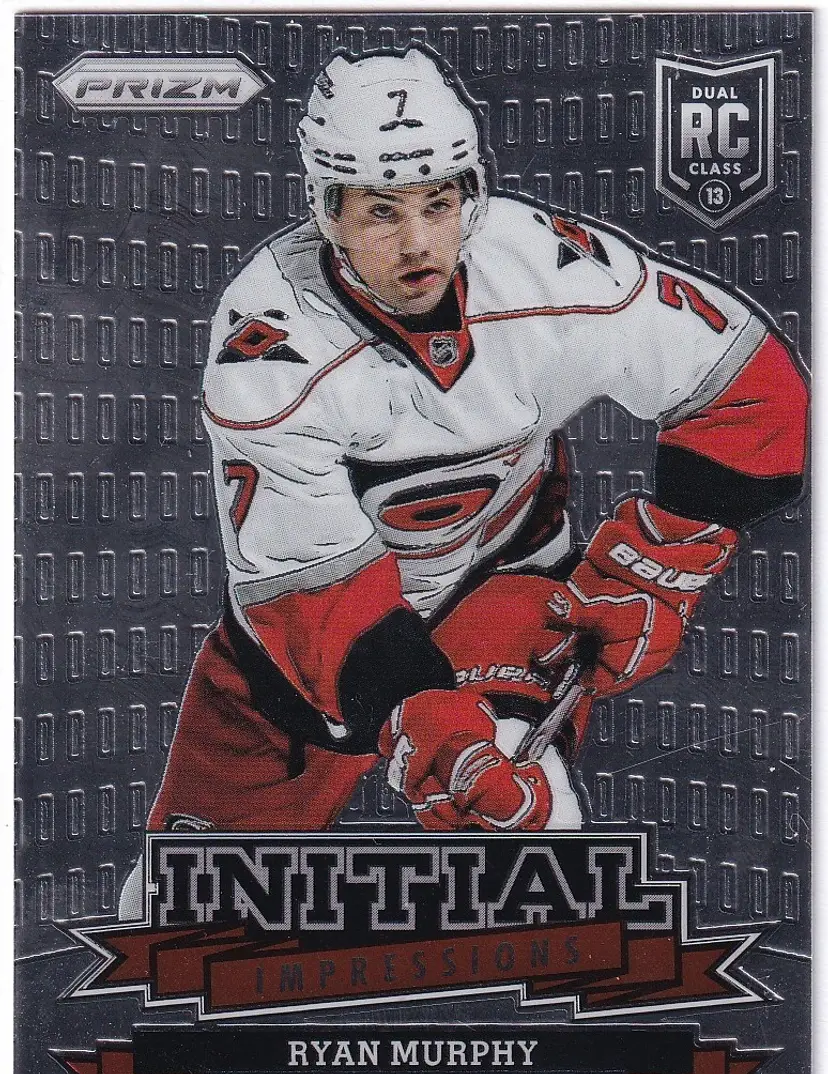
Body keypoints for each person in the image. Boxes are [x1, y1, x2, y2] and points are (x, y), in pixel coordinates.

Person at [132, 45, 806, 872]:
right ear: (328, 210)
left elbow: (752, 388)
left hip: (499, 584)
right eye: (382, 210)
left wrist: (657, 570)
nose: (418, 242)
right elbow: (310, 590)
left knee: (519, 805)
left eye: (438, 202)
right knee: (184, 896)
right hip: (310, 644)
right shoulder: (272, 346)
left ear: (471, 195)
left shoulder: (545, 266)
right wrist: (417, 714)